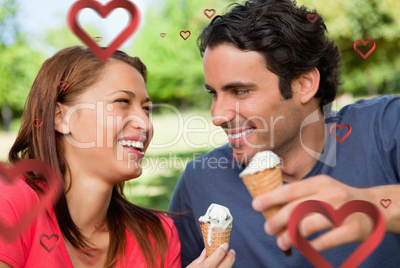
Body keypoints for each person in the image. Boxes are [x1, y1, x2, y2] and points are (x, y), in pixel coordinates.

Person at [169, 0, 400, 267]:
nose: (217, 115)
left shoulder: (385, 128)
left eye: (240, 91)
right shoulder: (200, 184)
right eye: (213, 93)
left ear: (304, 84)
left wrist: (371, 204)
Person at [0, 46, 235, 268]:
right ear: (61, 118)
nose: (144, 123)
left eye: (147, 109)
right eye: (122, 102)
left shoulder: (157, 236)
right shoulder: (9, 203)